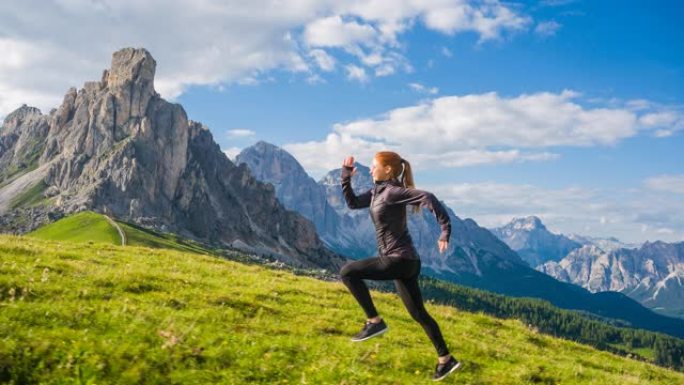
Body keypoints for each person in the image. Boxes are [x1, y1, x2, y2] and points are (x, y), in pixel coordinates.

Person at [339, 151, 462, 381]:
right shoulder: (377, 192)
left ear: (388, 170)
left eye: (375, 166)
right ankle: (446, 360)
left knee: (347, 272)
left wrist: (445, 231)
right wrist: (345, 177)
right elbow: (353, 203)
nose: (371, 169)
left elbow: (428, 197)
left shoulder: (393, 192)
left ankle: (374, 322)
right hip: (407, 262)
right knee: (419, 314)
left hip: (398, 260)